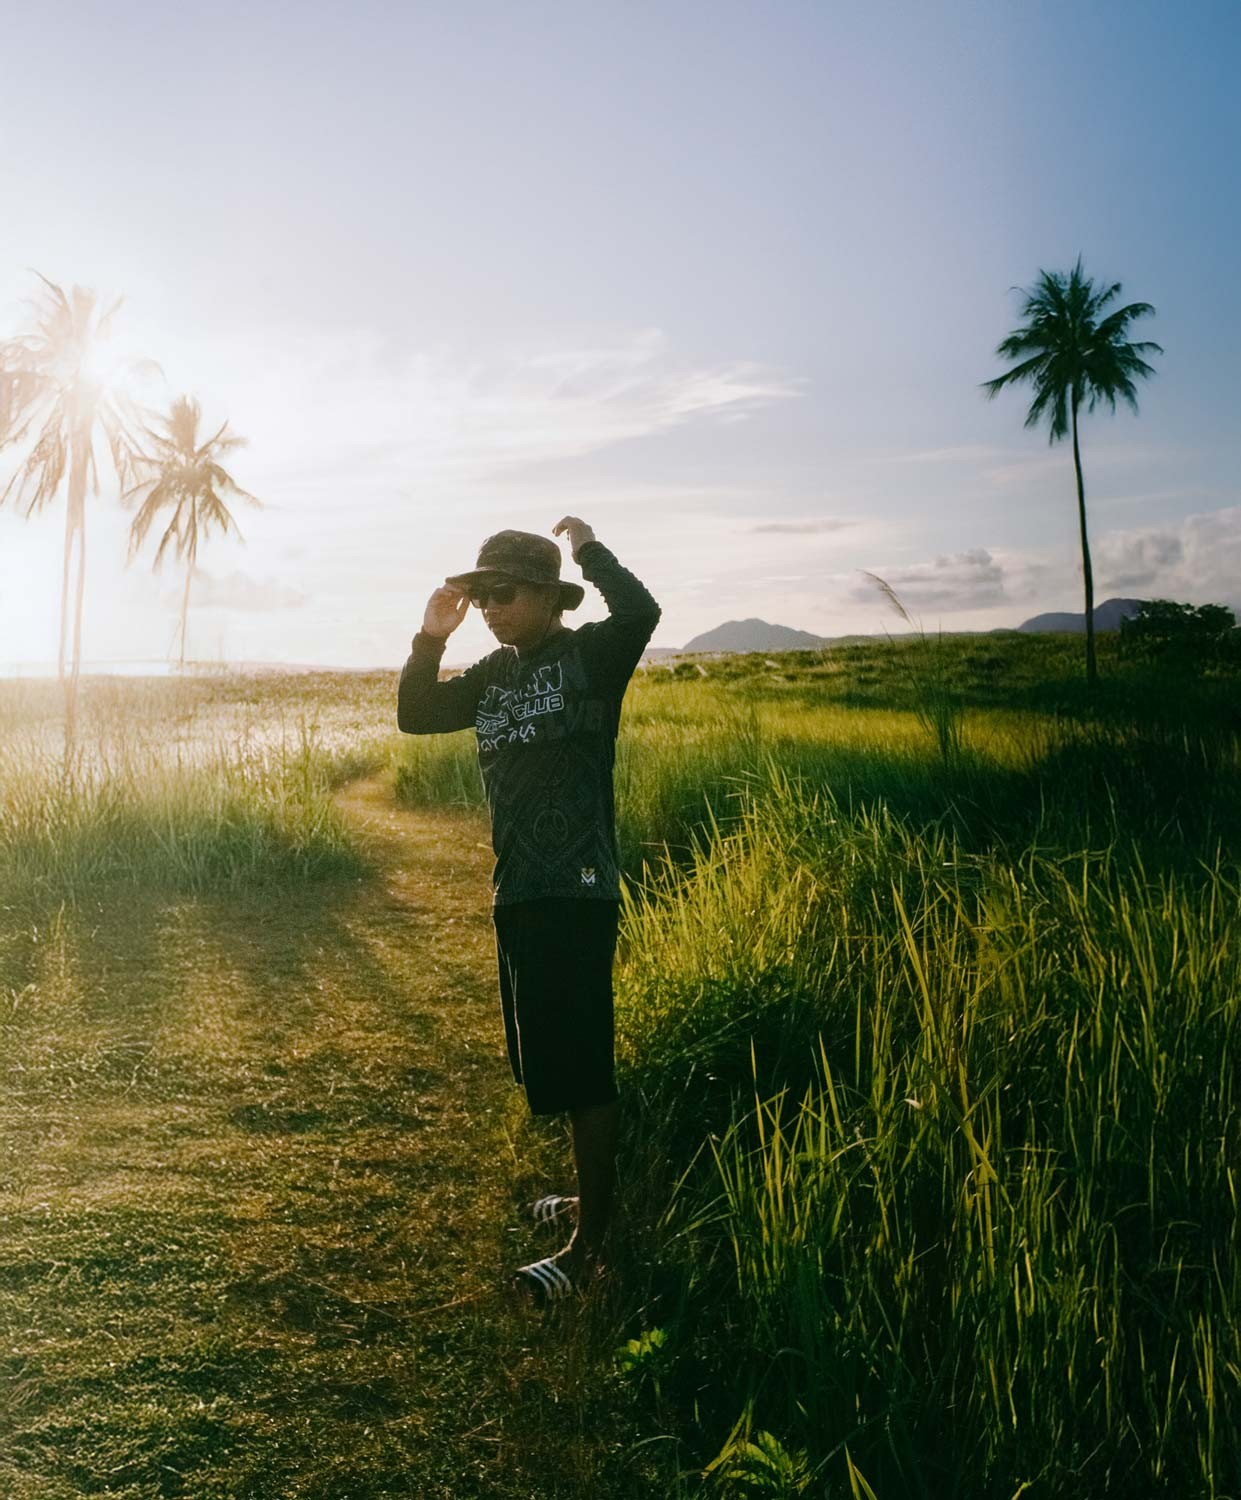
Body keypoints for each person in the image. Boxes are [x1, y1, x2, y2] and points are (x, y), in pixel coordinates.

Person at [397, 517, 661, 1302]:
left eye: (502, 593)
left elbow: (641, 612)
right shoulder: (491, 675)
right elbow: (415, 715)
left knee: (582, 1069)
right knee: (545, 1058)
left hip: (577, 888)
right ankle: (588, 1199)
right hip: (517, 887)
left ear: (550, 598)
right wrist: (429, 638)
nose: (487, 607)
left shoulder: (590, 658)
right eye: (480, 595)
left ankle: (591, 1251)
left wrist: (589, 547)